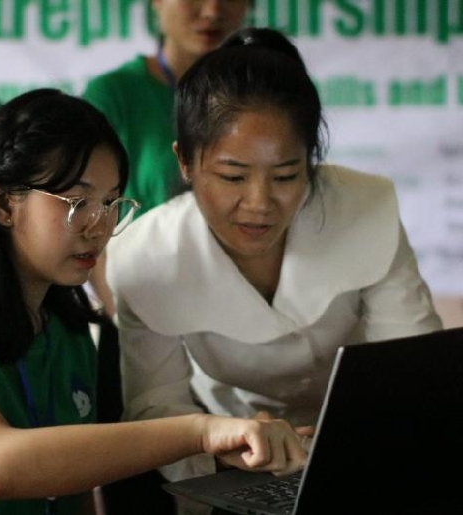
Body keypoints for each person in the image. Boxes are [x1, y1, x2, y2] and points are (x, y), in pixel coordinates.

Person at [0, 88, 309, 515]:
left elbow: (69, 487)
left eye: (112, 202)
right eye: (76, 202)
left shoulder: (67, 332)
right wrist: (201, 430)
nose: (98, 225)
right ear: (3, 204)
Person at [105, 27, 444, 485]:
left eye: (286, 176)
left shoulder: (364, 208)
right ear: (185, 161)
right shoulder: (145, 258)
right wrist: (222, 444)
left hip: (372, 442)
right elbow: (156, 411)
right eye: (232, 176)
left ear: (311, 160)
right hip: (233, 457)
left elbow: (411, 369)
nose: (259, 203)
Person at [82, 0, 250, 320]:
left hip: (240, 309)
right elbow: (88, 219)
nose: (213, 11)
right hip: (138, 301)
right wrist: (126, 323)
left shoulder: (263, 97)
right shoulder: (114, 95)